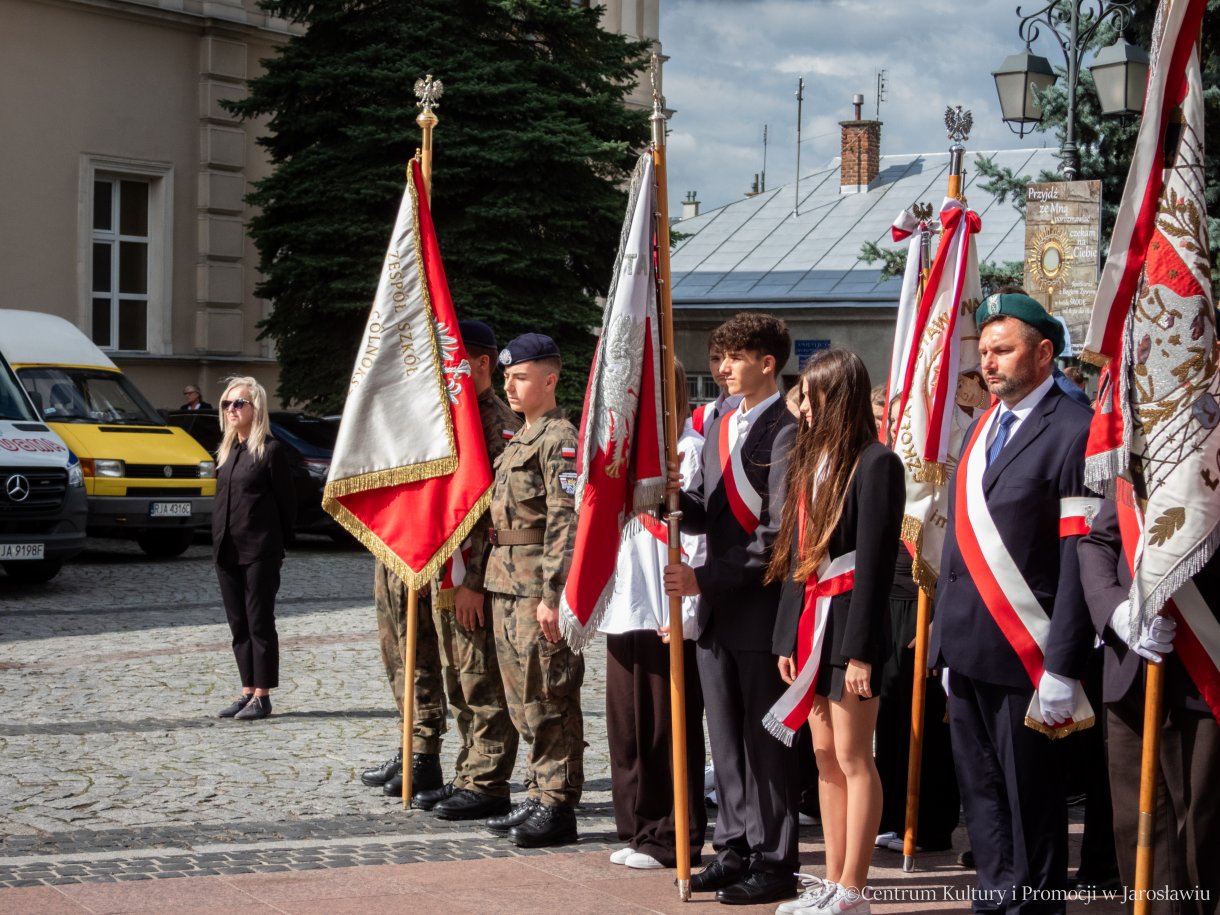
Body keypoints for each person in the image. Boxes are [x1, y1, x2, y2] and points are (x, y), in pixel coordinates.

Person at [930, 291, 1097, 914]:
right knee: (982, 796)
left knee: (1033, 801)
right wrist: (945, 645)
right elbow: (957, 549)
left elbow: (1081, 561)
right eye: (985, 351)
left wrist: (1063, 665)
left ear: (1045, 352)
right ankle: (994, 901)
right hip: (969, 649)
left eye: (1004, 351)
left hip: (1031, 651)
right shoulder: (979, 428)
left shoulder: (1076, 432)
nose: (989, 363)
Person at [663, 312, 800, 906]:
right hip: (718, 606)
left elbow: (775, 535)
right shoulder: (720, 419)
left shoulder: (788, 428)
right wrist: (665, 497)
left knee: (766, 743)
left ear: (767, 363)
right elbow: (710, 512)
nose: (720, 368)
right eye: (718, 358)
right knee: (725, 738)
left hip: (762, 606)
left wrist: (702, 578)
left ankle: (775, 860)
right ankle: (736, 844)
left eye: (733, 358)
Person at [768, 349, 904, 915]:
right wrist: (785, 638)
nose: (803, 405)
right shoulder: (810, 459)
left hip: (851, 625)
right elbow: (798, 554)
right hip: (811, 624)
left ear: (839, 398)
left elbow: (873, 565)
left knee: (853, 755)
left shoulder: (877, 463)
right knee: (822, 755)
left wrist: (861, 653)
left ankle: (855, 887)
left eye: (813, 395)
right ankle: (829, 880)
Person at [1078, 498, 1220, 914]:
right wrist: (1116, 610)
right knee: (1136, 836)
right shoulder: (1137, 447)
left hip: (1205, 669)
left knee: (1200, 841)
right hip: (1131, 670)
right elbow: (1098, 543)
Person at [601, 359, 707, 871]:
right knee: (627, 729)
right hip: (625, 603)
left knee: (667, 728)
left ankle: (670, 836)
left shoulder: (691, 449)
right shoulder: (623, 453)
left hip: (666, 606)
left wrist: (688, 608)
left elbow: (700, 536)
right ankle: (636, 827)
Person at [481, 333, 583, 847]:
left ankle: (559, 805)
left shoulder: (559, 439)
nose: (510, 386)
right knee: (523, 701)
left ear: (550, 379)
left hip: (535, 590)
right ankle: (539, 792)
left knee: (550, 694)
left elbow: (565, 522)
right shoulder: (519, 439)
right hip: (505, 582)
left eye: (520, 377)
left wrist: (554, 595)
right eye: (507, 378)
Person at [420, 320, 523, 821]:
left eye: (456, 360)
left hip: (473, 574)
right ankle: (467, 771)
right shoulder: (455, 417)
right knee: (457, 679)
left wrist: (472, 582)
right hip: (449, 571)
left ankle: (488, 782)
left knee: (481, 681)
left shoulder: (493, 421)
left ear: (482, 363)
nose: (447, 371)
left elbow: (493, 512)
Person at [212, 376, 295, 721]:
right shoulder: (228, 450)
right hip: (226, 549)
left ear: (255, 408)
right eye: (227, 404)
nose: (232, 409)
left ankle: (263, 695)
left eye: (239, 403)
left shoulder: (271, 451)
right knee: (238, 624)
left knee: (259, 621)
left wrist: (276, 545)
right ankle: (246, 690)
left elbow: (287, 505)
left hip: (259, 549)